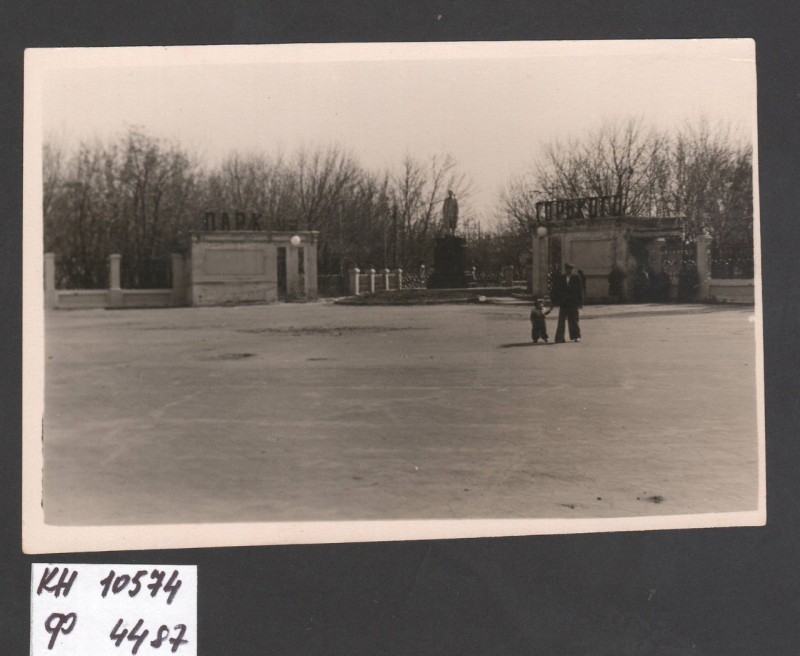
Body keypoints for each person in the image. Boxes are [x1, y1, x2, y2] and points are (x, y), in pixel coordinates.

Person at [553, 262, 584, 343]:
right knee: (561, 320)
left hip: (573, 302)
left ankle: (576, 336)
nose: (569, 270)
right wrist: (557, 300)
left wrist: (580, 302)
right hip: (564, 303)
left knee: (574, 320)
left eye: (570, 269)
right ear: (565, 269)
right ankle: (560, 338)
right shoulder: (561, 278)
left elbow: (579, 291)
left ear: (572, 270)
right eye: (567, 269)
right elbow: (557, 290)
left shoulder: (576, 278)